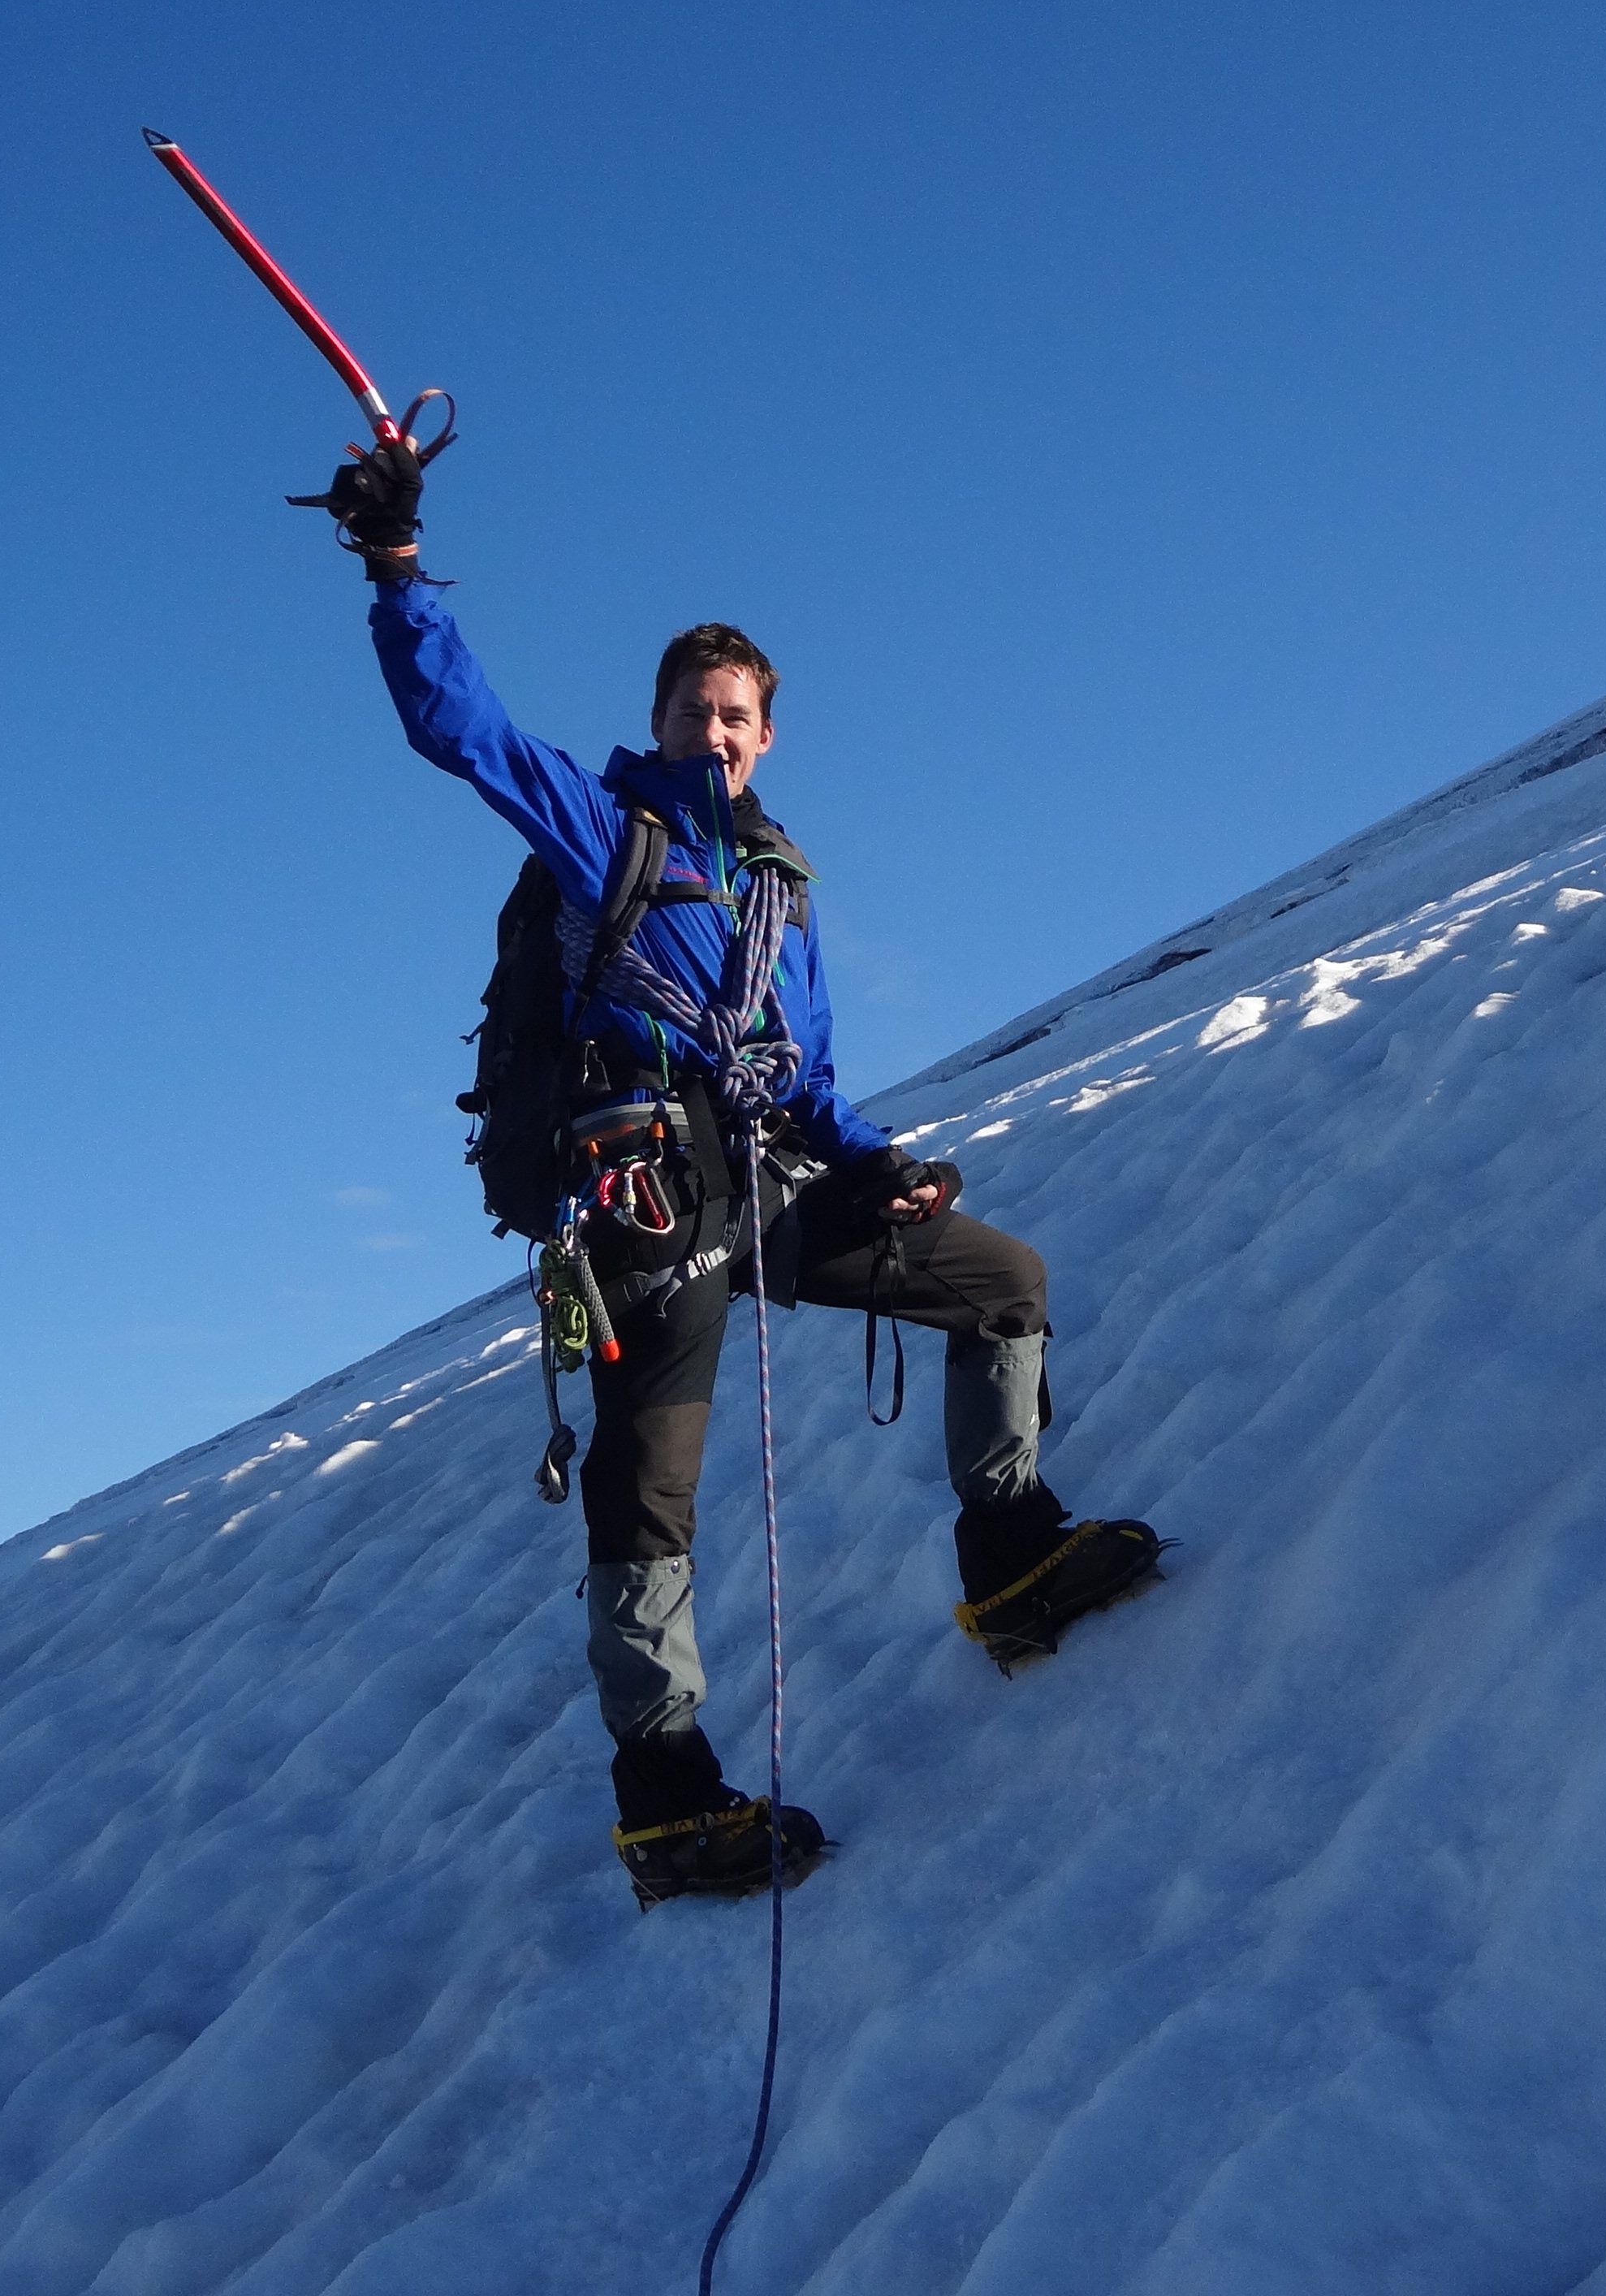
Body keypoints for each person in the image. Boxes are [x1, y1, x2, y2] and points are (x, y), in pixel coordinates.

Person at [294, 420, 1161, 1904]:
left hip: (774, 1180)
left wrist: (882, 1163)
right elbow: (463, 730)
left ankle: (1012, 1553)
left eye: (740, 713)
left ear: (769, 734)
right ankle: (669, 1805)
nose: (718, 730)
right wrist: (396, 566)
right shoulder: (605, 829)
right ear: (663, 719)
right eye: (698, 708)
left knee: (1001, 1280)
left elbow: (811, 1083)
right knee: (650, 1500)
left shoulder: (780, 893)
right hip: (650, 1204)